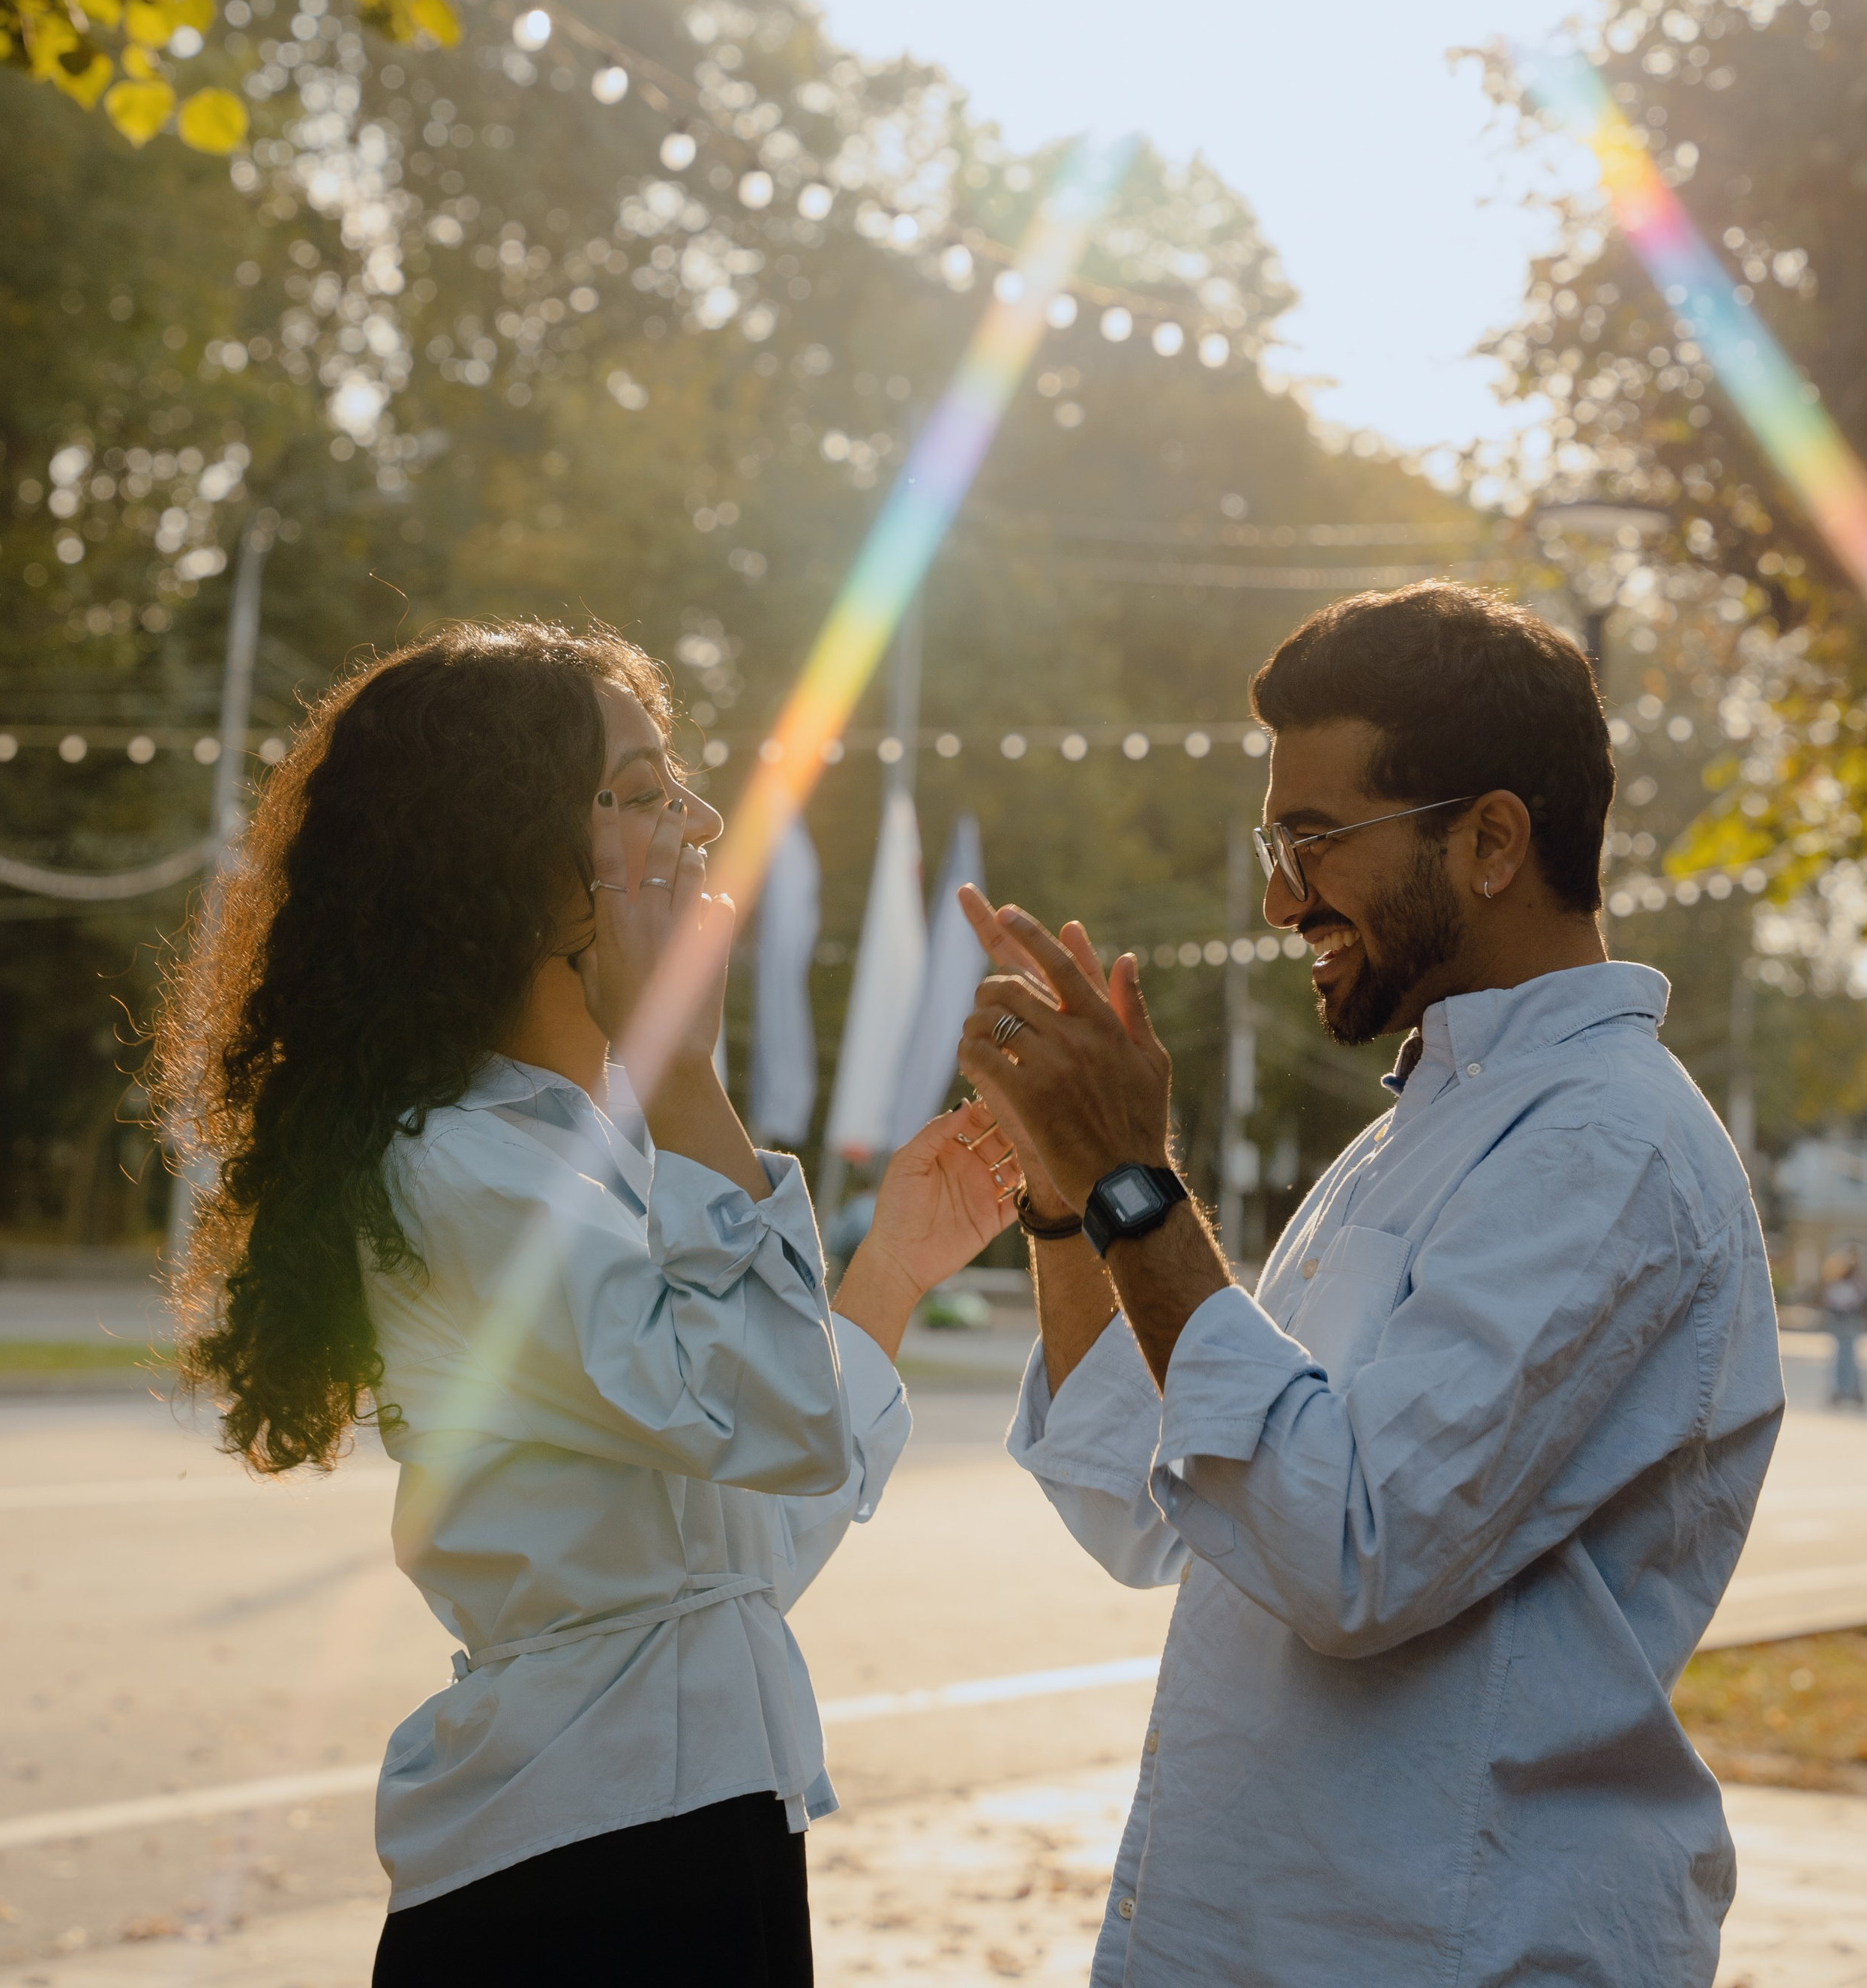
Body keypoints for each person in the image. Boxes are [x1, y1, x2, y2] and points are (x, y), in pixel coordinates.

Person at [157, 618, 1015, 1987]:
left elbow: (742, 1555)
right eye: (638, 791)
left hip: (698, 1825)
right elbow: (774, 1424)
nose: (700, 821)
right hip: (580, 1868)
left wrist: (891, 1274)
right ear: (502, 852)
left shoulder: (592, 1151)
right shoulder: (458, 1167)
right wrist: (681, 1073)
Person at [957, 582, 1784, 1988]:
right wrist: (1064, 1197)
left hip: (1449, 1949)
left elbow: (1349, 1550)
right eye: (1273, 843)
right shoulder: (1425, 1131)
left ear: (1492, 841)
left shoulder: (1606, 1144)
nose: (1281, 899)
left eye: (1315, 839)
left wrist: (1135, 1184)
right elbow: (1151, 1497)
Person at [1821, 1244, 1865, 1407]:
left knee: (1848, 1354)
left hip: (1847, 1319)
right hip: (1842, 1319)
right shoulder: (1840, 1283)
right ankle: (1843, 1389)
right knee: (1844, 1355)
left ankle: (1849, 1389)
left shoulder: (1853, 1284)